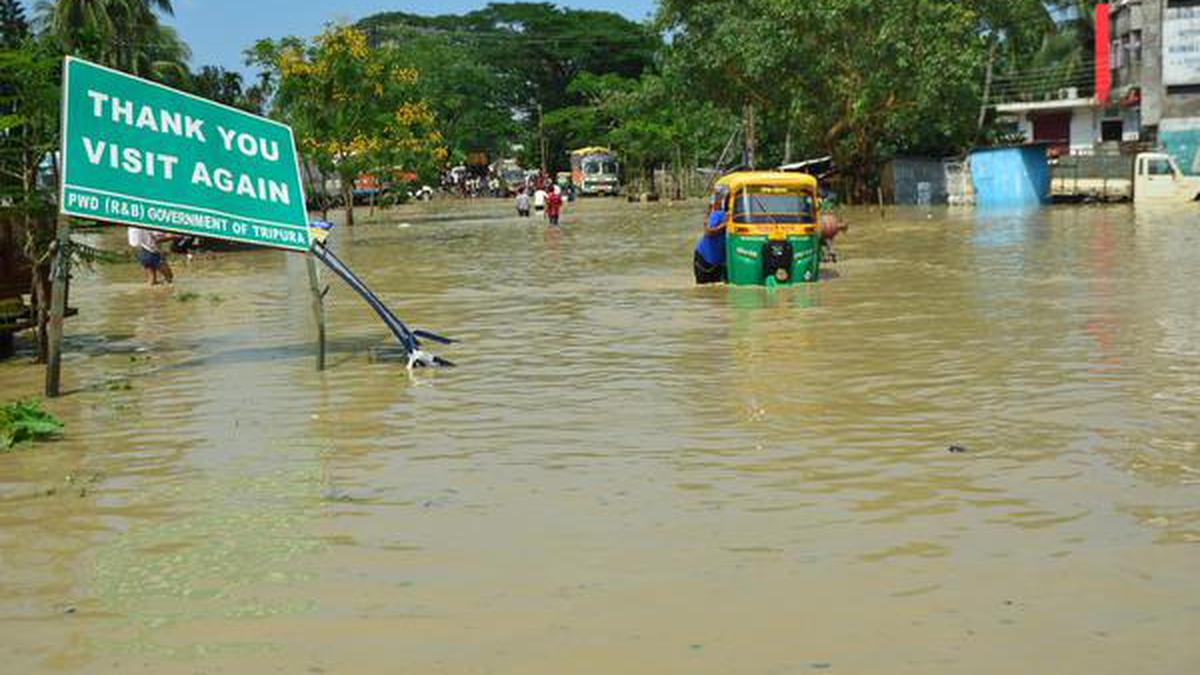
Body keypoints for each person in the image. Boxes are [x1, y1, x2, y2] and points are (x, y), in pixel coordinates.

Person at [694, 187, 729, 284]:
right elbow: (709, 232)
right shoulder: (718, 214)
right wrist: (725, 224)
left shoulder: (723, 214)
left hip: (718, 261)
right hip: (705, 259)